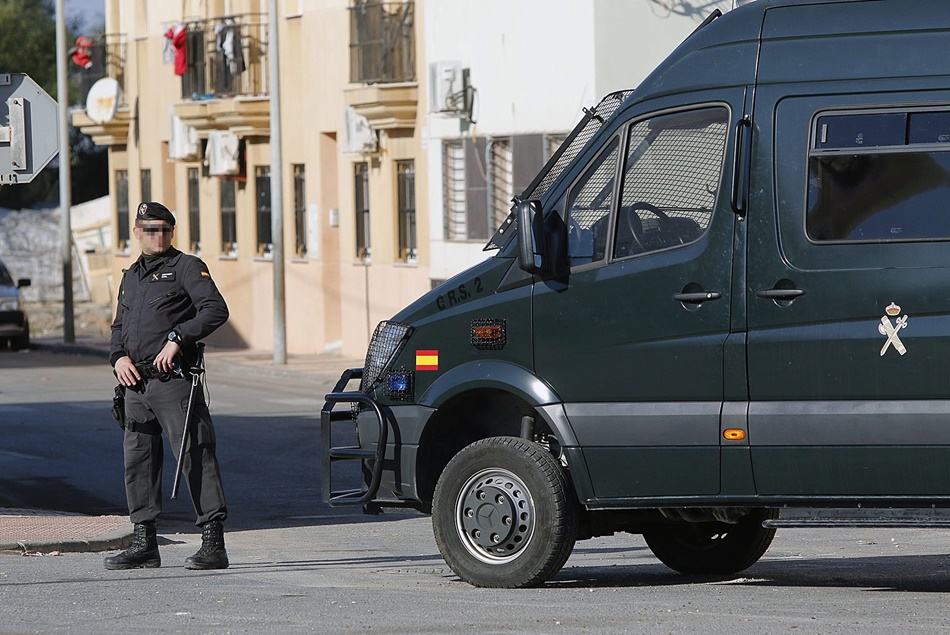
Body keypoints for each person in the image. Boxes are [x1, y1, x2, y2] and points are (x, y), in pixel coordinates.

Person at [104, 201, 231, 571]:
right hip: (135, 383)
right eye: (150, 229)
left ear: (172, 232)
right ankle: (144, 543)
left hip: (172, 381)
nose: (157, 235)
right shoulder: (131, 276)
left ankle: (213, 543)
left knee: (195, 454)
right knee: (138, 462)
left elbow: (215, 310)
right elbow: (118, 328)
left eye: (164, 229)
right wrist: (118, 359)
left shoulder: (187, 267)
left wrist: (178, 337)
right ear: (137, 232)